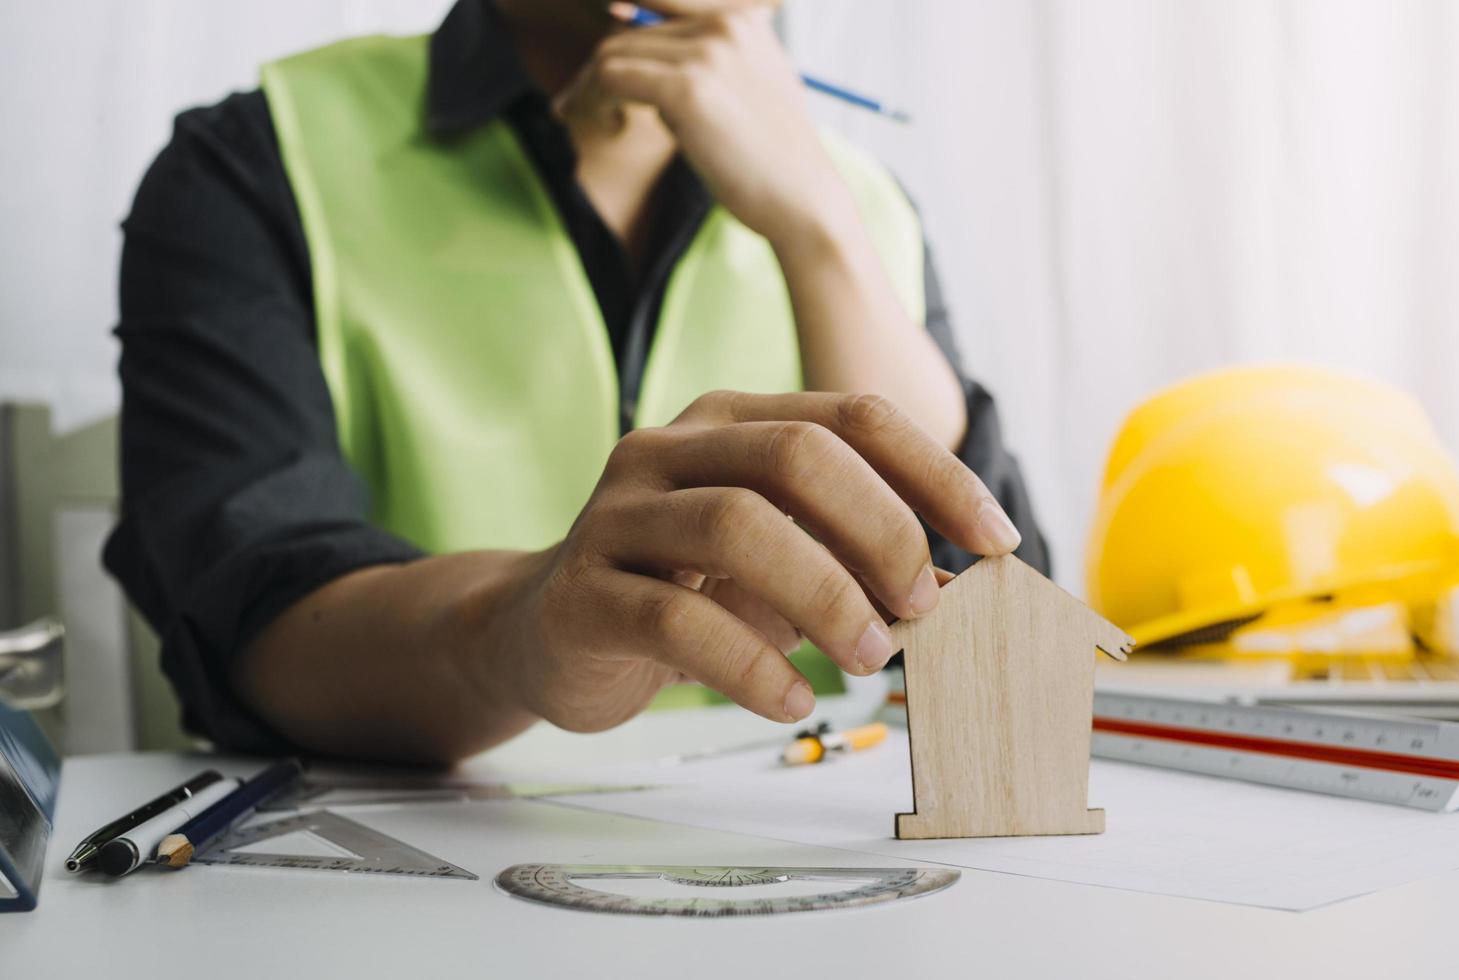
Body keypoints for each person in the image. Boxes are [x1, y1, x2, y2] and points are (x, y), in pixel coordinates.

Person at [105, 0, 1048, 765]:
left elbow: (1003, 658)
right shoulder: (257, 162)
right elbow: (249, 616)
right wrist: (526, 635)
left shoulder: (860, 204)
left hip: (811, 852)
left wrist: (823, 239)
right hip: (412, 875)